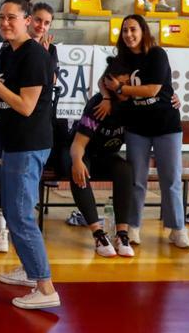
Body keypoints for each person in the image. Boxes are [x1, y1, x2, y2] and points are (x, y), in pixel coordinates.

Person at [0, 0, 60, 310]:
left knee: (19, 214)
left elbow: (25, 106)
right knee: (13, 208)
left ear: (28, 20)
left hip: (30, 143)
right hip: (13, 141)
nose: (5, 23)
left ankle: (45, 286)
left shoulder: (36, 57)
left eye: (11, 18)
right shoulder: (7, 51)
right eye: (2, 17)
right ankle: (29, 270)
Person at [104, 14, 189, 249]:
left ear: (143, 31)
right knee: (136, 180)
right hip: (137, 128)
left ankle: (178, 228)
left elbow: (152, 90)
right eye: (124, 31)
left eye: (133, 29)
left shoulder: (157, 54)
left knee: (171, 179)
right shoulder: (120, 60)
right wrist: (112, 93)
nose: (129, 35)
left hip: (166, 125)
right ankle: (133, 227)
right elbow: (110, 87)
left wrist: (123, 87)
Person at [69, 60, 135, 258]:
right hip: (85, 153)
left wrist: (173, 99)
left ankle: (122, 234)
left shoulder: (133, 105)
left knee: (125, 170)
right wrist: (77, 161)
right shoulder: (98, 104)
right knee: (77, 170)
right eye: (120, 87)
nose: (124, 90)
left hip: (107, 157)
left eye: (127, 85)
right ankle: (98, 234)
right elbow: (77, 145)